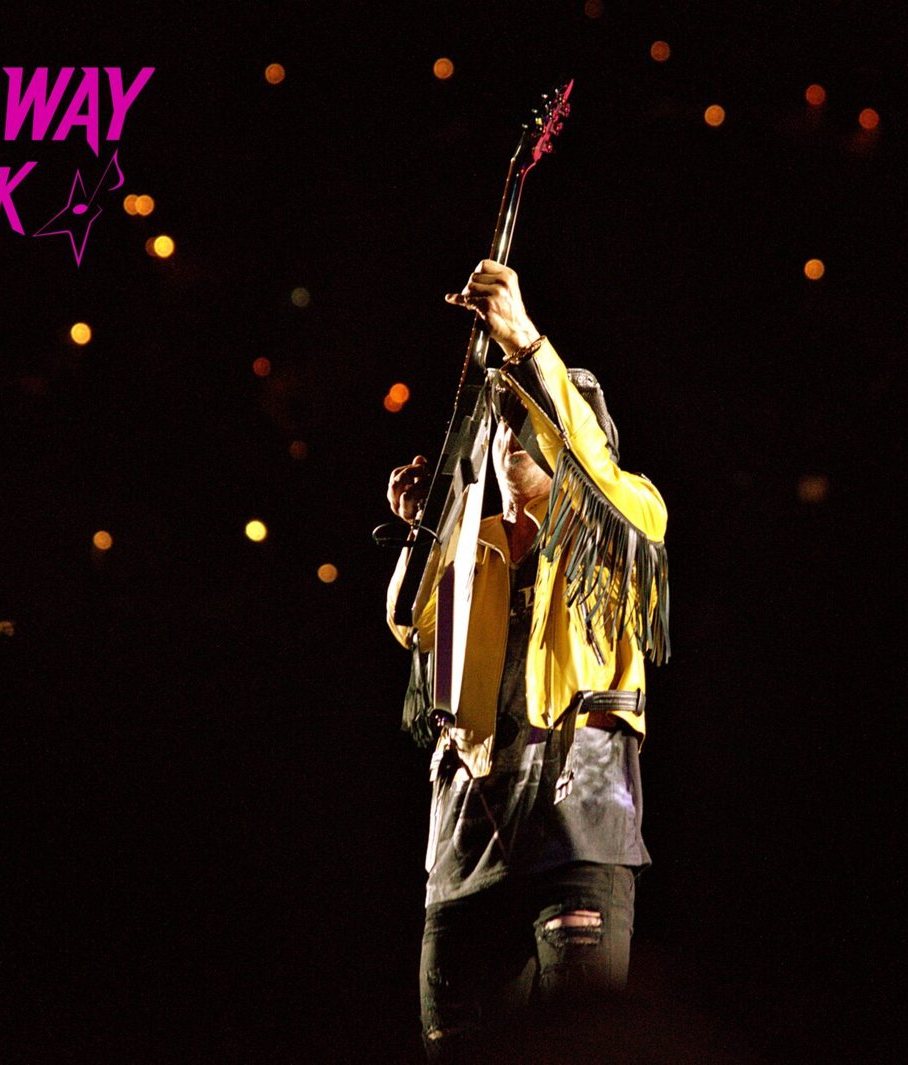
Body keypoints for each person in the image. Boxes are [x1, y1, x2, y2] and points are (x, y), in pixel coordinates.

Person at [385, 260, 671, 1061]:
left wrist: (524, 343)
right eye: (501, 422)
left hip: (576, 838)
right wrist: (421, 532)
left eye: (530, 420)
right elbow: (410, 626)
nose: (508, 434)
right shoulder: (469, 548)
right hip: (466, 849)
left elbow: (592, 465)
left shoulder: (624, 522)